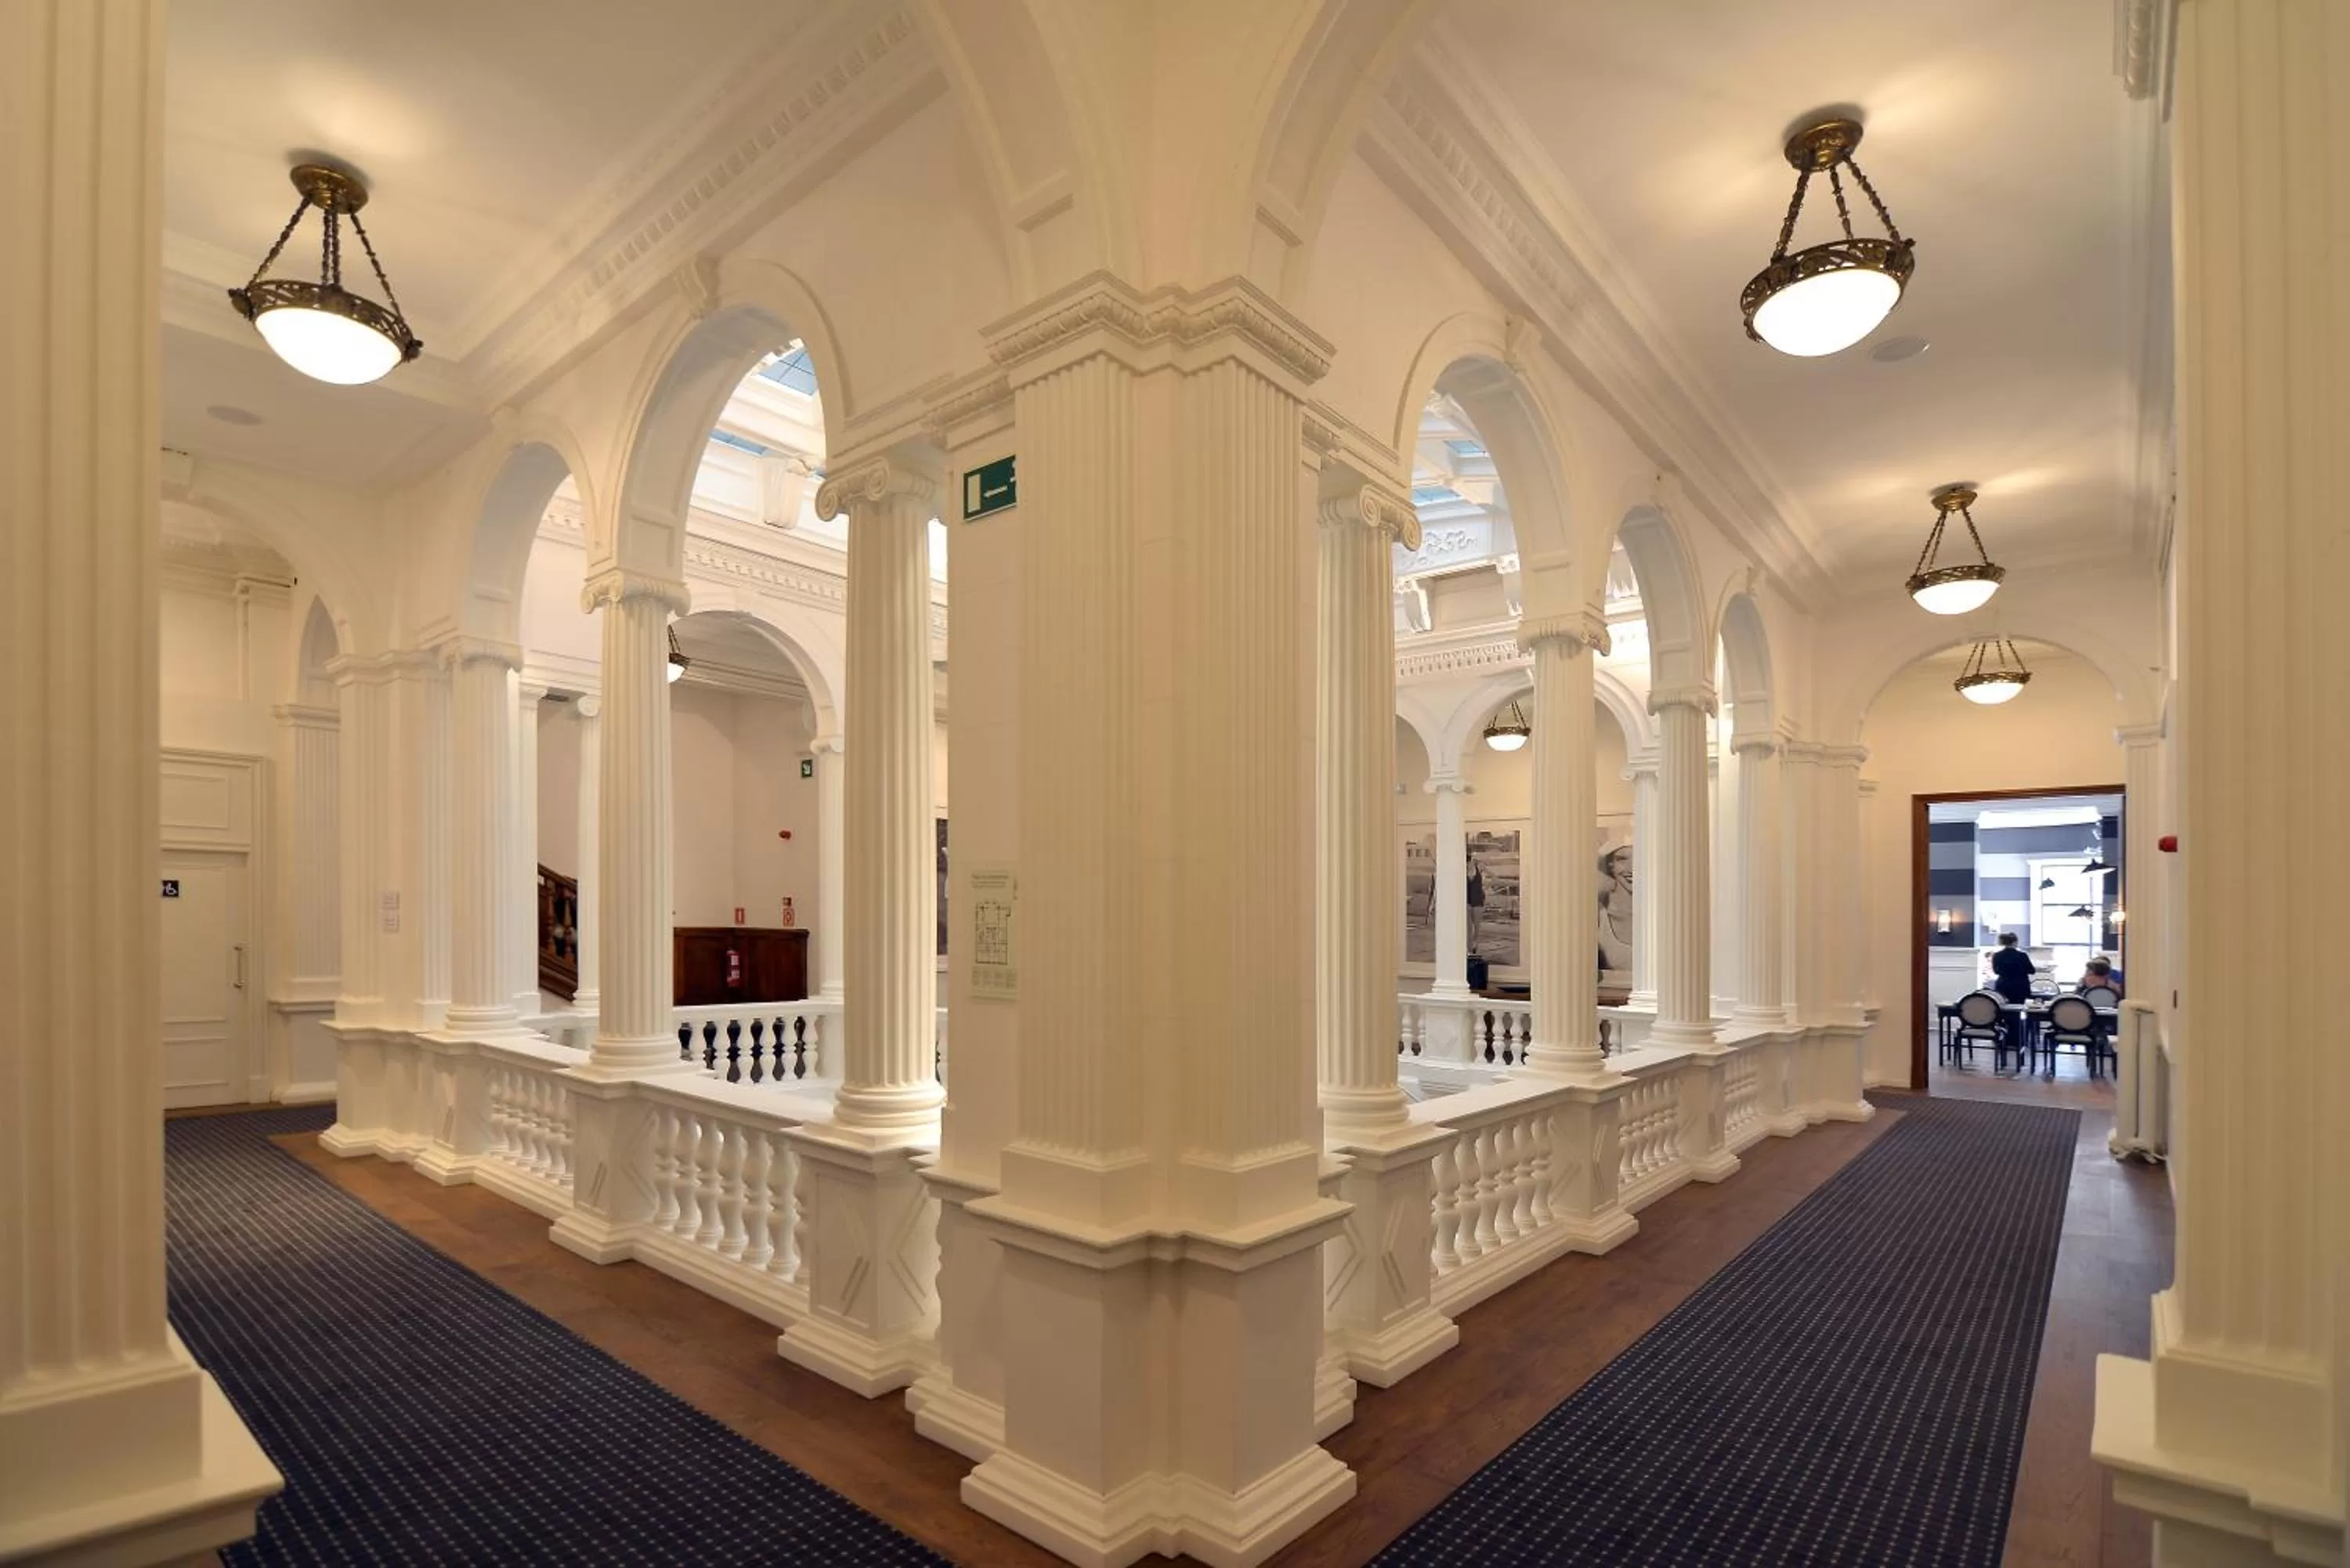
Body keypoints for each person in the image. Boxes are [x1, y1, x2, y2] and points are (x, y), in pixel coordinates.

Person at [1596, 844, 1636, 976]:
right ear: (1610, 865)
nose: (1632, 868)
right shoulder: (1597, 915)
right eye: (1622, 859)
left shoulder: (1666, 917)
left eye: (1640, 858)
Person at [1988, 931, 2035, 1003]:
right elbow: (2032, 971)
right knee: (2018, 1008)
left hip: (2003, 985)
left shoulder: (1997, 955)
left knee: (2003, 1009)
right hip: (2020, 986)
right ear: (2015, 942)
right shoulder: (2022, 955)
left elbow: (1996, 971)